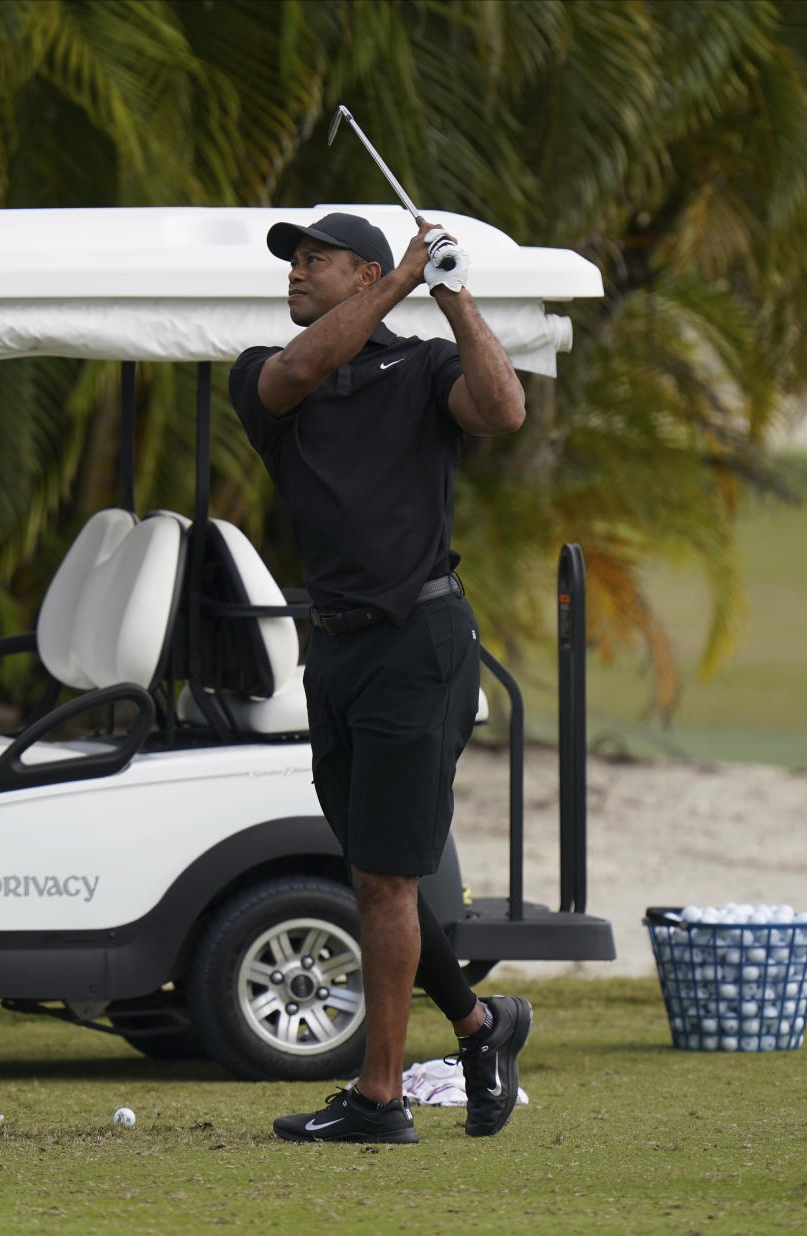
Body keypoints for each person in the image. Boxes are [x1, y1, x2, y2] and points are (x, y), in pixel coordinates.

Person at [228, 211, 530, 1144]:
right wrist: (397, 282)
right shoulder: (265, 373)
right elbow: (301, 371)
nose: (295, 273)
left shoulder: (428, 368)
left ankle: (381, 1099)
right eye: (293, 261)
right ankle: (483, 1027)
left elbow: (504, 411)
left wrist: (454, 292)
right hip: (341, 649)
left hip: (420, 639)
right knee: (372, 873)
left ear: (356, 271)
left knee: (388, 879)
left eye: (314, 261)